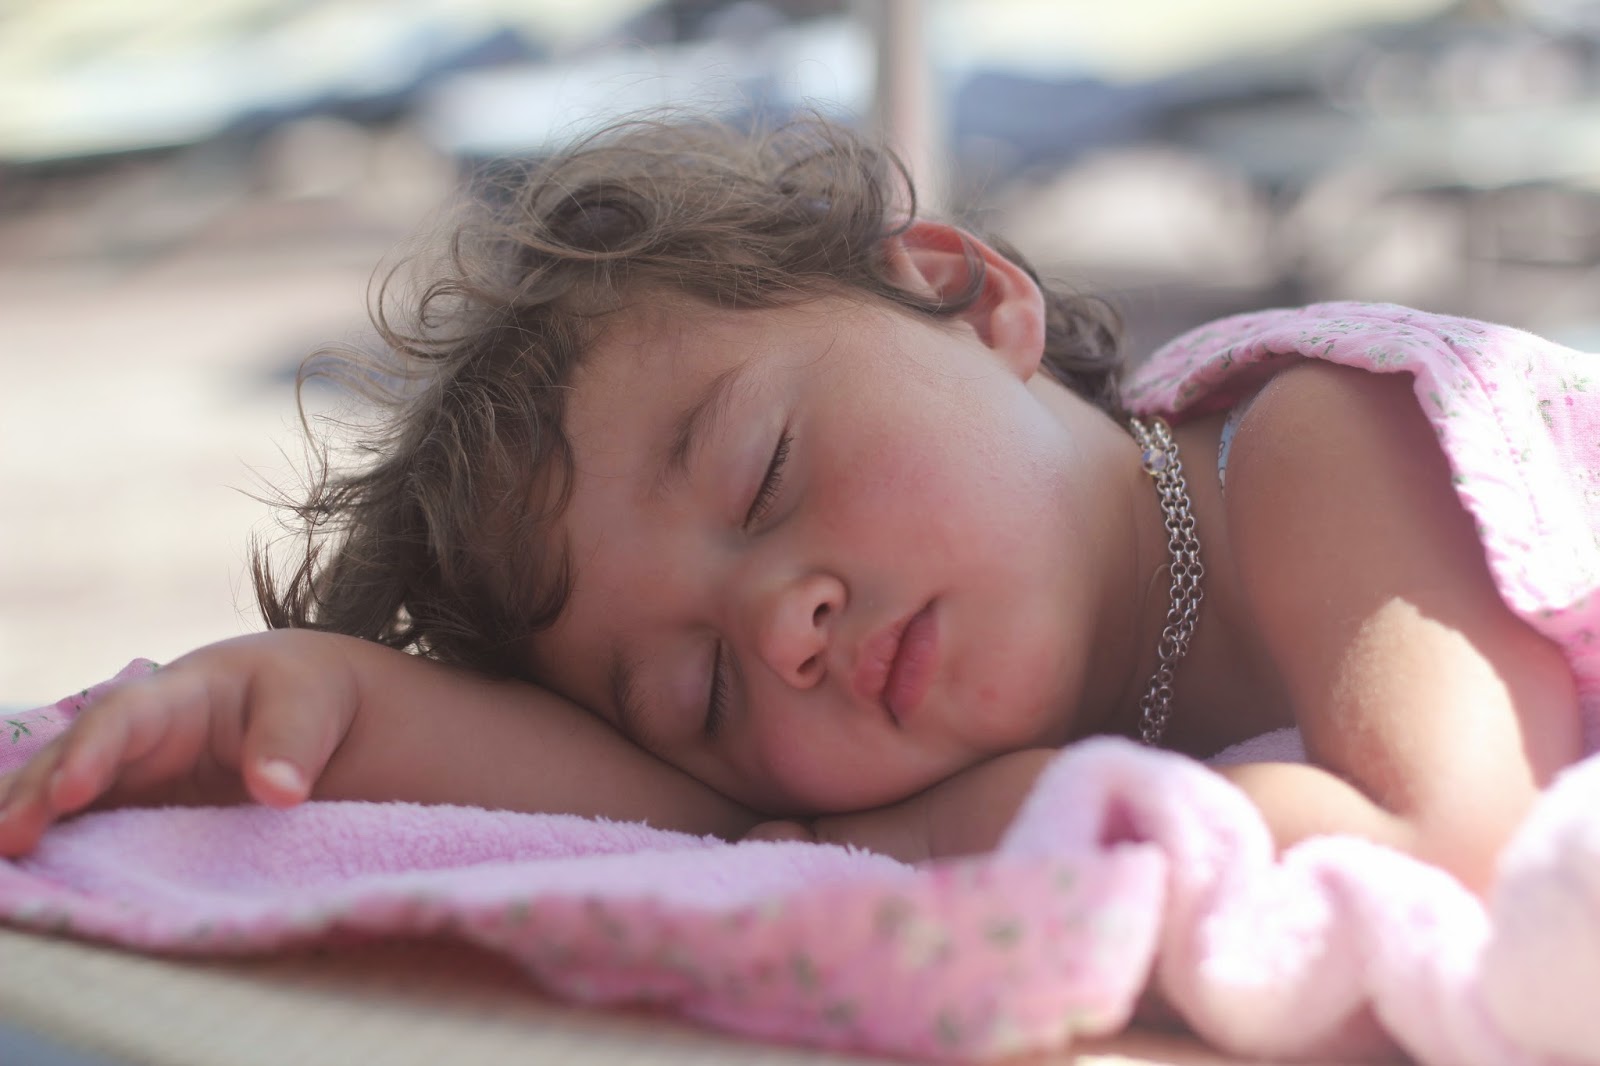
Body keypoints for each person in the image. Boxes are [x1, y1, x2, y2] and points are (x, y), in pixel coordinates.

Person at [0, 114, 1593, 897]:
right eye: (700, 690)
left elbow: (1462, 857)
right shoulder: (906, 735)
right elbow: (668, 810)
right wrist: (311, 697)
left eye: (765, 473)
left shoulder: (1314, 438)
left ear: (965, 295)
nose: (782, 630)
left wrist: (938, 830)